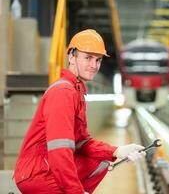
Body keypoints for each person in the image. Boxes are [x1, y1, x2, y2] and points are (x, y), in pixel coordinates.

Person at [14, 29, 146, 194]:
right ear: (71, 56)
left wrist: (117, 151)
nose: (94, 65)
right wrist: (75, 192)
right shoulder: (63, 92)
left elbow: (82, 142)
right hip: (37, 173)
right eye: (87, 58)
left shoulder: (76, 91)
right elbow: (59, 151)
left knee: (99, 161)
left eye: (98, 60)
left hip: (44, 166)